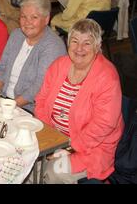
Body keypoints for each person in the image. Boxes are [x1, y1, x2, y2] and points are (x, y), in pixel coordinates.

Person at [35, 19, 124, 183]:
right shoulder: (59, 65)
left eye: (87, 43)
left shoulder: (107, 77)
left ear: (97, 47)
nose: (79, 49)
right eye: (74, 41)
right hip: (55, 139)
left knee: (53, 172)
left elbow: (103, 125)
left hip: (92, 149)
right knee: (28, 164)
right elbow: (41, 101)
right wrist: (49, 139)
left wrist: (69, 147)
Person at [0, 0, 66, 113]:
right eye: (23, 17)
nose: (27, 22)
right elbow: (1, 67)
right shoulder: (16, 35)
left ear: (46, 19)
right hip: (5, 101)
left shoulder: (53, 46)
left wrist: (9, 106)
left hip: (29, 109)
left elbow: (39, 86)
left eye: (34, 17)